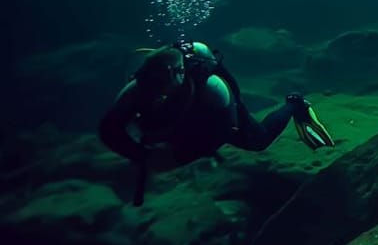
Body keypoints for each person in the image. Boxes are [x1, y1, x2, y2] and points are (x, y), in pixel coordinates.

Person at [99, 40, 334, 206]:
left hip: (214, 115)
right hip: (180, 121)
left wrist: (179, 157)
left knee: (258, 140)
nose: (156, 92)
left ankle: (295, 104)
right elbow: (109, 130)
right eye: (150, 84)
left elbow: (223, 131)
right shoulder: (135, 91)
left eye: (162, 84)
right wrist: (141, 155)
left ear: (180, 73)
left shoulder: (213, 88)